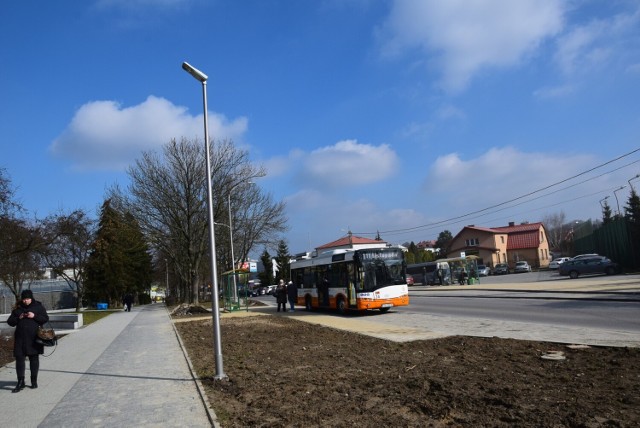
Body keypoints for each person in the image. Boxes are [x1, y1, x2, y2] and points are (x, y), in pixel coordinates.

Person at [7, 289, 49, 393]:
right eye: (24, 299)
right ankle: (20, 381)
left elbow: (45, 318)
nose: (26, 301)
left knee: (34, 359)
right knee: (19, 359)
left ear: (31, 298)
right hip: (20, 339)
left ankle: (33, 380)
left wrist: (34, 316)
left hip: (34, 338)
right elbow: (10, 322)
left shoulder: (38, 307)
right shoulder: (18, 308)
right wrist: (19, 317)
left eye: (28, 299)